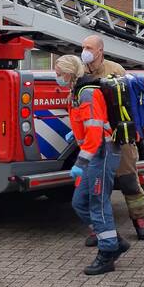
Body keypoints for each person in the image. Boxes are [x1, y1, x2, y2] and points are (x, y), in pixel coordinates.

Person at [55, 54, 130, 275]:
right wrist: (76, 133)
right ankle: (114, 241)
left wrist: (80, 162)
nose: (57, 77)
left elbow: (96, 131)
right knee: (79, 202)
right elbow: (89, 124)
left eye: (59, 73)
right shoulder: (78, 91)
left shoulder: (87, 93)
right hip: (96, 153)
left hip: (102, 153)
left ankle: (107, 253)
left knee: (98, 204)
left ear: (69, 73)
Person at [78, 35, 144, 241]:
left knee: (129, 180)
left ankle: (139, 219)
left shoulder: (115, 70)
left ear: (100, 50)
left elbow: (128, 103)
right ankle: (99, 228)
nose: (85, 51)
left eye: (89, 47)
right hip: (96, 139)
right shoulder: (80, 72)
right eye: (83, 47)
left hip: (120, 136)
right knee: (98, 186)